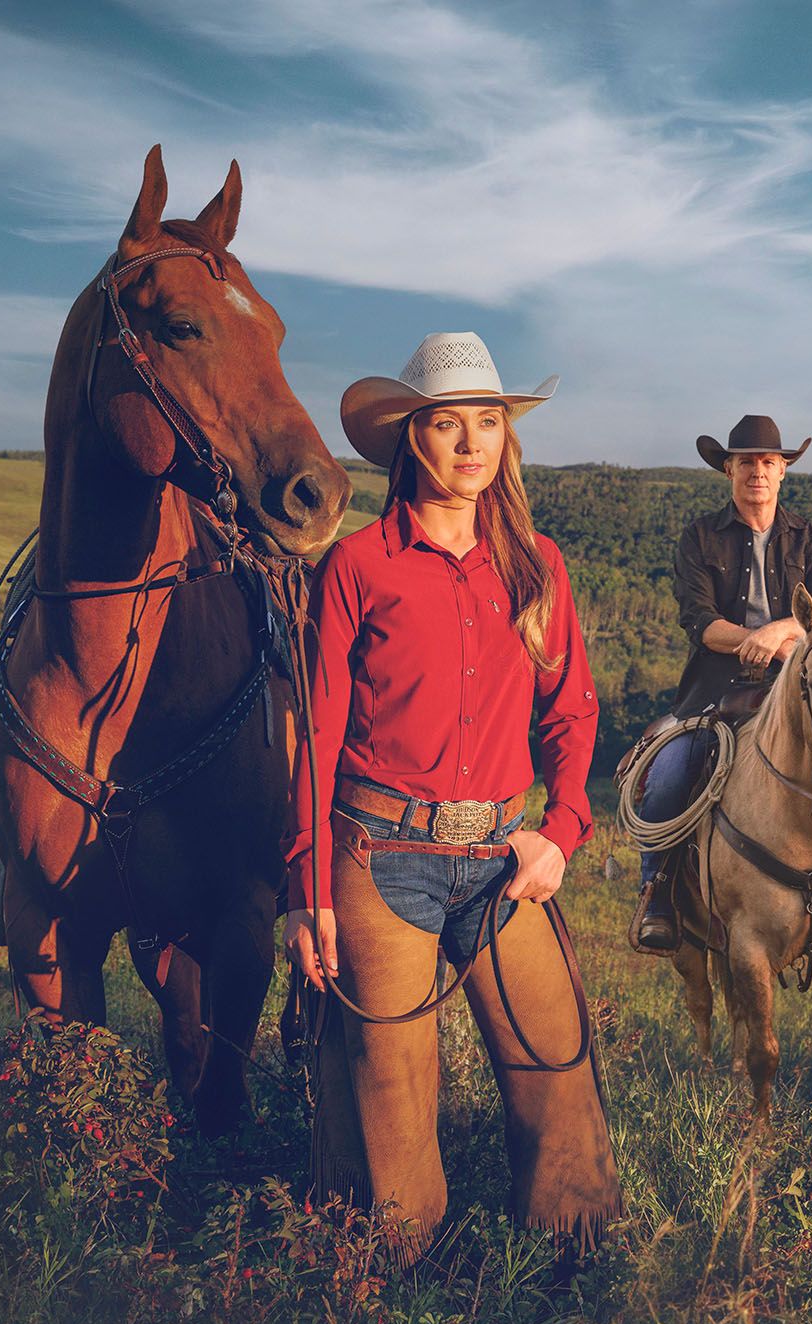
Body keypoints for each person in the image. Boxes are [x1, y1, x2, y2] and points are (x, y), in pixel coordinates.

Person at [279, 331, 620, 1258]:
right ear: (407, 442)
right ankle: (391, 1298)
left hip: (505, 859)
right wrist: (308, 891)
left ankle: (573, 1278)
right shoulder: (356, 569)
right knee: (391, 1094)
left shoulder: (535, 564)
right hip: (379, 855)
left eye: (488, 423)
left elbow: (572, 712)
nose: (473, 442)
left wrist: (561, 830)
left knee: (557, 1068)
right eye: (447, 424)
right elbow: (313, 733)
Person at [628, 414, 812, 952]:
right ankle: (659, 892)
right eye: (746, 462)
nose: (758, 472)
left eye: (769, 462)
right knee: (671, 769)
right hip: (717, 690)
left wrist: (778, 634)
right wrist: (751, 638)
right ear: (729, 470)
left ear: (783, 471)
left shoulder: (811, 537)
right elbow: (698, 620)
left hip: (799, 687)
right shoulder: (699, 537)